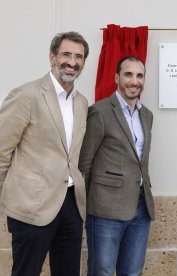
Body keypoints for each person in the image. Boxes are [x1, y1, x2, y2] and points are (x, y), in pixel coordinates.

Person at [0, 31, 89, 275]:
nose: (72, 62)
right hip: (32, 207)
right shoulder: (26, 95)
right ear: (52, 57)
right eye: (66, 54)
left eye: (79, 56)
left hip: (70, 205)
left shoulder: (81, 102)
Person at [79, 55, 155, 275]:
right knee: (101, 271)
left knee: (132, 272)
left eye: (139, 75)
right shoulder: (100, 112)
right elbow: (85, 163)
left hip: (141, 207)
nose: (134, 81)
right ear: (116, 78)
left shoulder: (147, 115)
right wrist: (84, 207)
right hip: (105, 209)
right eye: (128, 74)